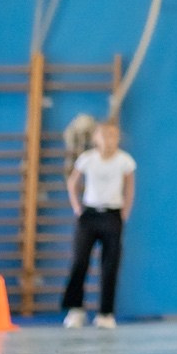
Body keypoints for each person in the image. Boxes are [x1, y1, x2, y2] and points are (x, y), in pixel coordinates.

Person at [62, 122, 136, 328]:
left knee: (110, 265)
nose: (109, 140)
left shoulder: (125, 161)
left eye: (113, 135)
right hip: (89, 215)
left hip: (112, 215)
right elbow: (72, 183)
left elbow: (130, 188)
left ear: (118, 138)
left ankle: (106, 313)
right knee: (79, 262)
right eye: (104, 135)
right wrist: (78, 208)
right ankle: (75, 310)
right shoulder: (87, 159)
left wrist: (124, 213)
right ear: (96, 138)